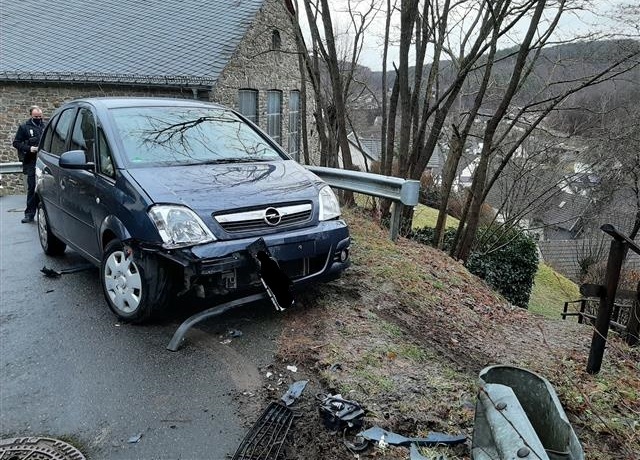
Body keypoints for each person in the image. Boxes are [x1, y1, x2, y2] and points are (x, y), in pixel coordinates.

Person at [13, 106, 45, 223]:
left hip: (44, 161)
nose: (38, 119)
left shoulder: (45, 126)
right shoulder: (24, 127)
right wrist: (29, 148)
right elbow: (16, 143)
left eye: (40, 117)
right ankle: (29, 214)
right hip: (31, 161)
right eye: (36, 117)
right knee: (32, 187)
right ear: (31, 115)